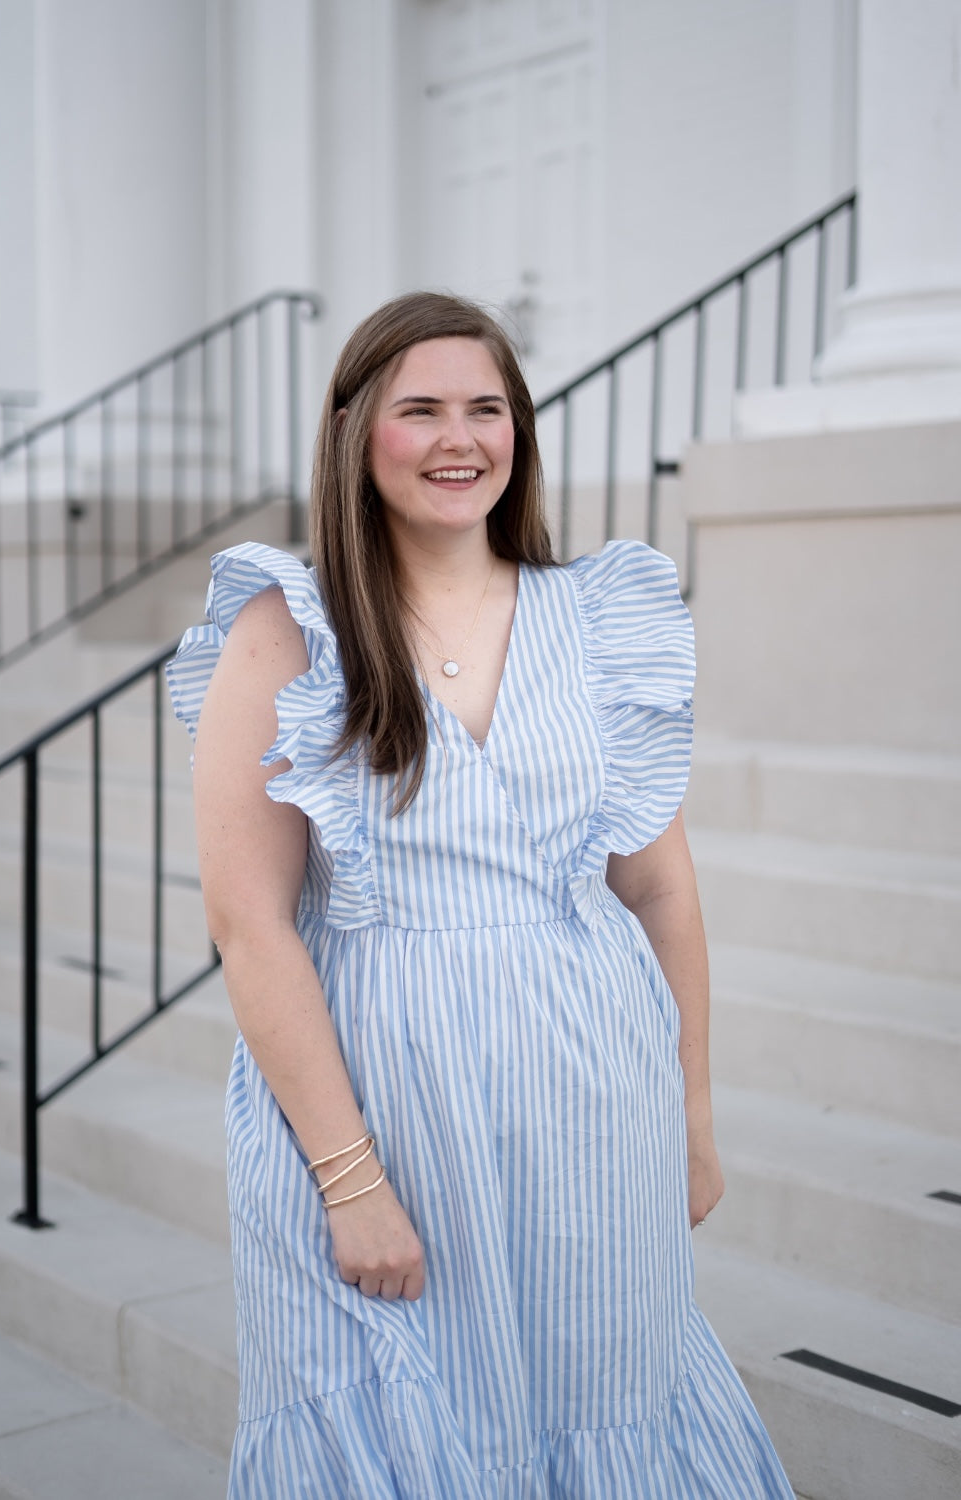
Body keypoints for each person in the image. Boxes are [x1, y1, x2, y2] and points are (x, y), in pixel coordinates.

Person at [168, 292, 795, 1498]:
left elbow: (660, 887)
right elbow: (248, 926)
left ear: (519, 433)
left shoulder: (599, 617)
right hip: (384, 1108)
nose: (461, 439)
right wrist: (351, 1185)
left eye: (486, 409)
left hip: (592, 1098)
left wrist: (693, 1122)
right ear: (355, 432)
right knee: (398, 1435)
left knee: (605, 1405)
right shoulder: (287, 628)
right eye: (421, 411)